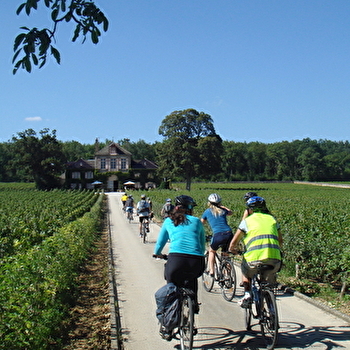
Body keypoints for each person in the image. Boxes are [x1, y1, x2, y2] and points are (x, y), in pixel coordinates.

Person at [154, 195, 206, 312]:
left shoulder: (168, 221)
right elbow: (202, 244)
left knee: (171, 286)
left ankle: (170, 318)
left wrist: (157, 253)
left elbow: (160, 243)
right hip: (197, 261)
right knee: (192, 278)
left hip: (176, 260)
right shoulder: (197, 221)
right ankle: (193, 303)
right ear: (190, 209)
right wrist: (199, 254)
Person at [229, 196, 283, 308]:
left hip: (253, 259)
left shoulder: (247, 222)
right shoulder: (272, 219)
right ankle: (270, 308)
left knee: (244, 270)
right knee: (267, 283)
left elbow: (234, 242)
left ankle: (247, 294)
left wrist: (232, 249)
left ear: (249, 209)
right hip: (274, 259)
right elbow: (280, 241)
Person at [201, 193, 233, 276]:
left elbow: (201, 224)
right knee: (226, 254)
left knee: (211, 251)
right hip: (229, 234)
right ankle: (228, 275)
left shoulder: (207, 212)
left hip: (218, 235)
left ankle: (212, 271)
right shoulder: (223, 210)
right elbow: (230, 212)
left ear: (209, 203)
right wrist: (222, 206)